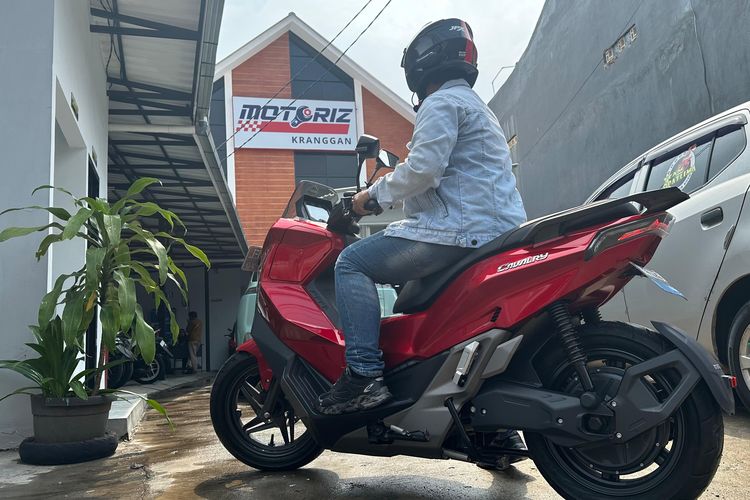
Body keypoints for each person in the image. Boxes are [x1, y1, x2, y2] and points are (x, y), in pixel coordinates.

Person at [319, 19, 527, 417]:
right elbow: (437, 178)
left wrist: (369, 198)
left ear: (422, 63)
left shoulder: (440, 103)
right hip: (492, 230)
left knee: (351, 263)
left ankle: (363, 375)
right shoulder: (477, 107)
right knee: (416, 301)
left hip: (460, 231)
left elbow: (422, 169)